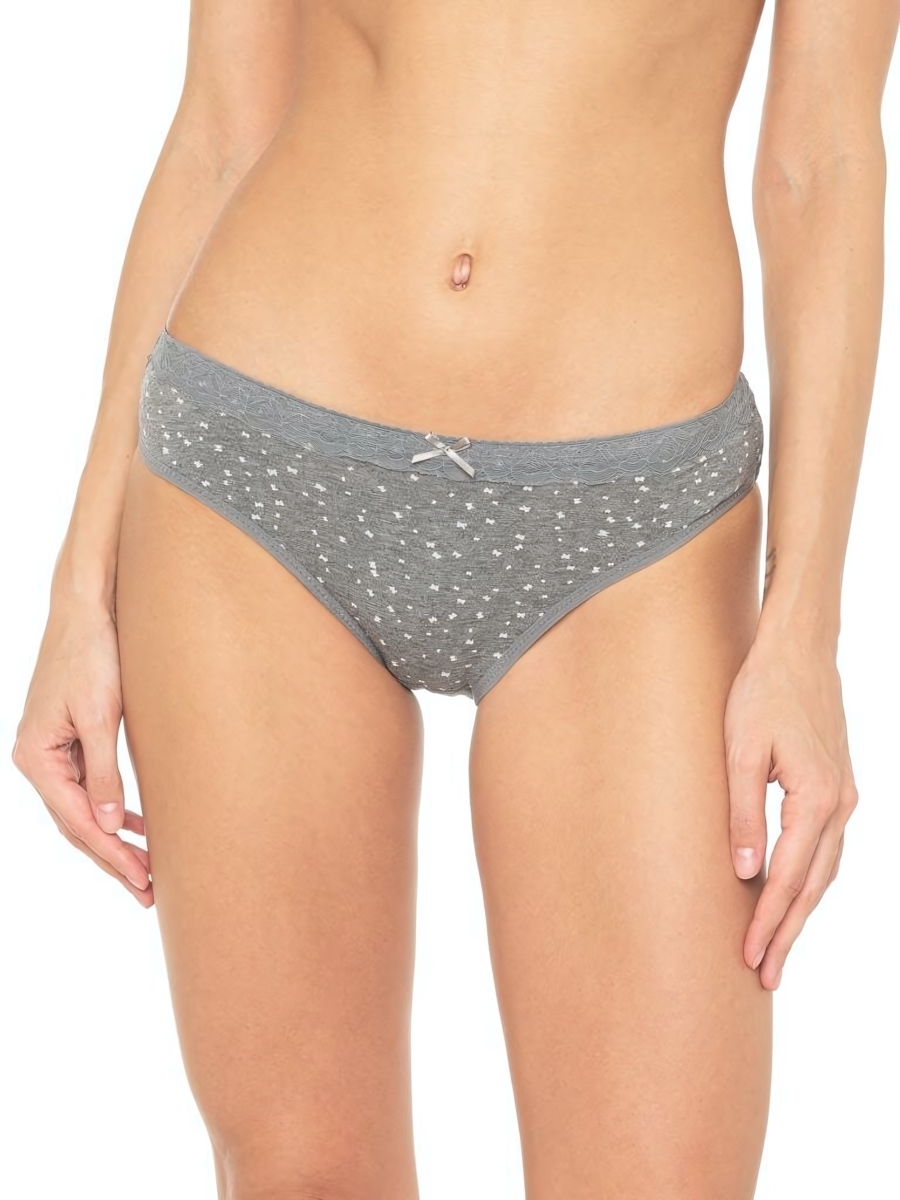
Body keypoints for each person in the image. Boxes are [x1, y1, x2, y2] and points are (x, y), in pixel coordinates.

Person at [12, 2, 898, 1196]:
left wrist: (806, 629)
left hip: (633, 523)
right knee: (303, 1177)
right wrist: (80, 585)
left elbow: (821, 158)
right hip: (260, 471)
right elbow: (221, 124)